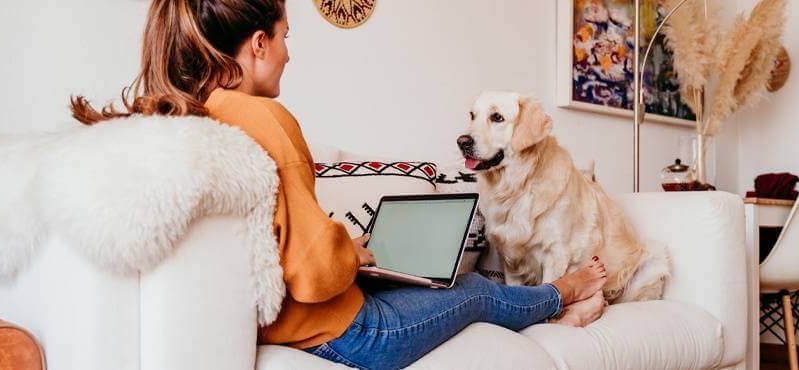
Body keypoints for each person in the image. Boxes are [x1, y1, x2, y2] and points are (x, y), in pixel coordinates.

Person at [70, 1, 609, 369]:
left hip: (283, 323)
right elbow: (312, 275)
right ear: (258, 44)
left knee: (420, 281)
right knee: (470, 290)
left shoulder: (192, 113)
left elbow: (278, 244)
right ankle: (566, 290)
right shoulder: (264, 119)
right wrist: (348, 250)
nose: (289, 52)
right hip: (348, 332)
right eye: (285, 38)